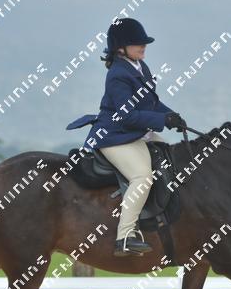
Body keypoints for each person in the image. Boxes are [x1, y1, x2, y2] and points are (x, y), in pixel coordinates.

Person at [65, 18, 188, 257]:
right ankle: (125, 237)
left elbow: (151, 103)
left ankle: (162, 219)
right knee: (142, 177)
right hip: (114, 136)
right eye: (137, 43)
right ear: (120, 48)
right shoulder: (118, 74)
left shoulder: (140, 66)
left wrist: (171, 116)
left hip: (135, 133)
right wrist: (162, 120)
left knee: (172, 160)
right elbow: (127, 115)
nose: (143, 46)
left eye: (144, 42)